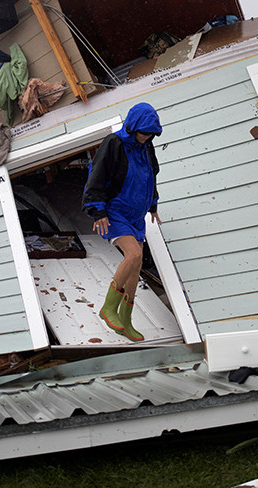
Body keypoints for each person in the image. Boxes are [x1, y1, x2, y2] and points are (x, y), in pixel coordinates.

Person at [82, 102, 162, 342]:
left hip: (136, 216)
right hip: (115, 210)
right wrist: (98, 210)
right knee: (134, 256)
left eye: (150, 134)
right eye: (143, 132)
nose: (146, 137)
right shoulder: (114, 143)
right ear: (132, 126)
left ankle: (126, 320)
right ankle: (108, 308)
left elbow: (150, 176)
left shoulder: (146, 146)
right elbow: (96, 174)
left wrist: (153, 205)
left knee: (136, 268)